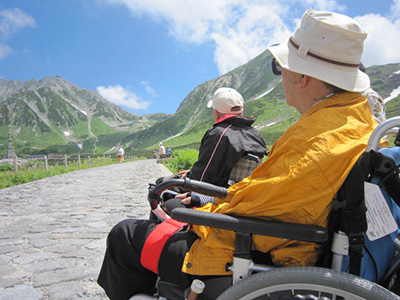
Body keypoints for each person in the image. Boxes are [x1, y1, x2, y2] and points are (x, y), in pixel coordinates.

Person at [98, 10, 382, 300]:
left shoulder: (318, 139)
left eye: (281, 66)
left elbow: (254, 212)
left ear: (303, 77)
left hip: (252, 257)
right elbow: (266, 196)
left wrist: (197, 212)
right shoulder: (353, 123)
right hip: (282, 244)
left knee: (125, 235)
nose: (281, 74)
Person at [177, 87, 267, 188]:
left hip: (217, 195)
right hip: (244, 192)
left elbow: (202, 177)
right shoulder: (255, 134)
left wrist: (189, 176)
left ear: (216, 113)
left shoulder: (219, 134)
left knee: (164, 185)